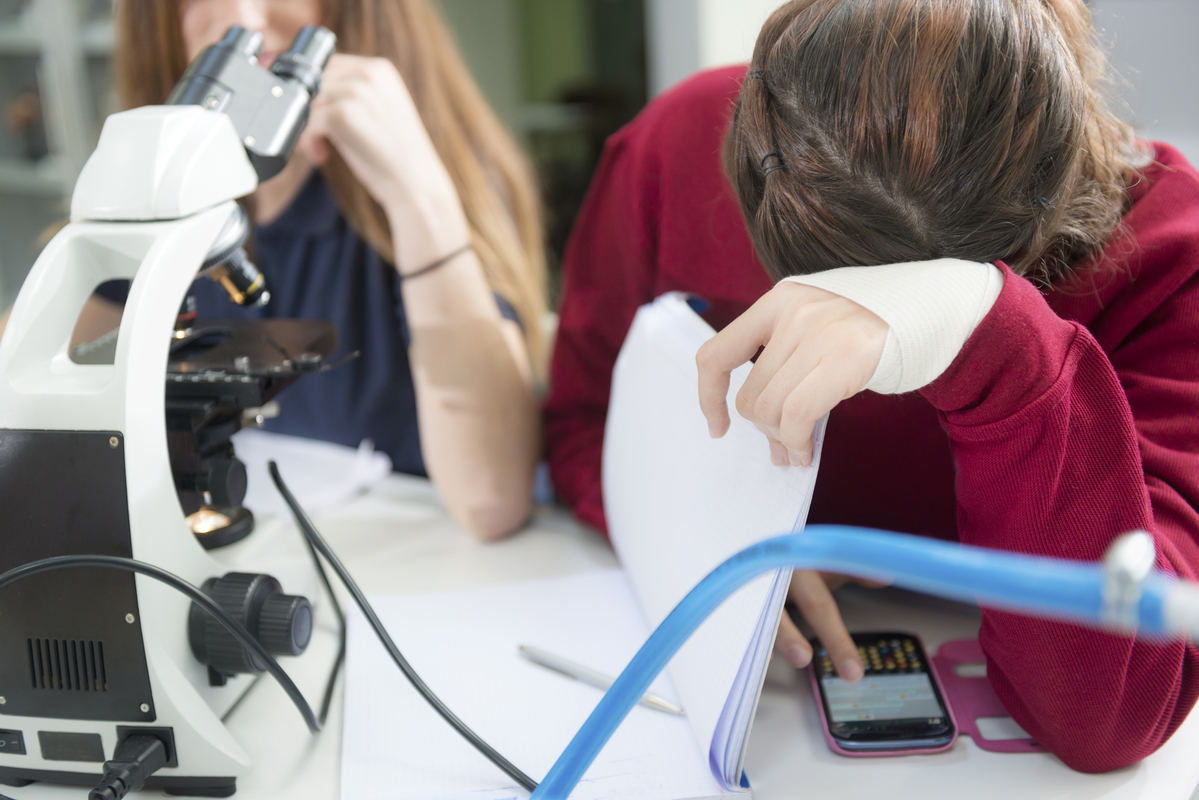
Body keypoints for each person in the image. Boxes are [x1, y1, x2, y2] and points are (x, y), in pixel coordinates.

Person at [544, 0, 1199, 772]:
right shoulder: (674, 144)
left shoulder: (1166, 248)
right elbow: (580, 429)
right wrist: (718, 549)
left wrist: (996, 340)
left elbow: (1112, 710)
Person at [105, 0, 546, 540]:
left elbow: (491, 499)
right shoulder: (159, 205)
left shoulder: (437, 194)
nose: (244, 18)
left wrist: (420, 198)